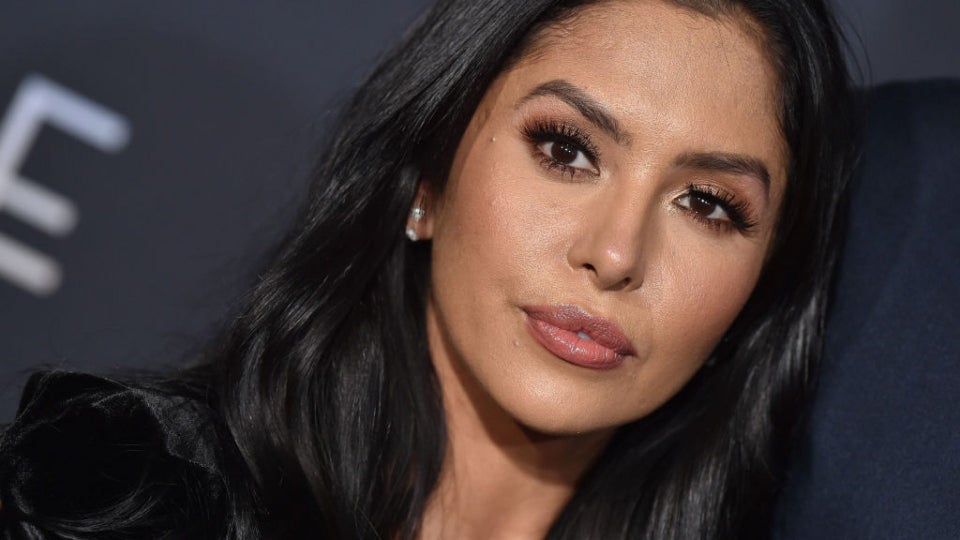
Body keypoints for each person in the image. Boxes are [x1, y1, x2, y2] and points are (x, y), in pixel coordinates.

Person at [0, 0, 859, 538]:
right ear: (427, 181)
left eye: (707, 204)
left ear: (757, 295)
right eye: (566, 150)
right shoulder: (136, 499)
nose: (615, 254)